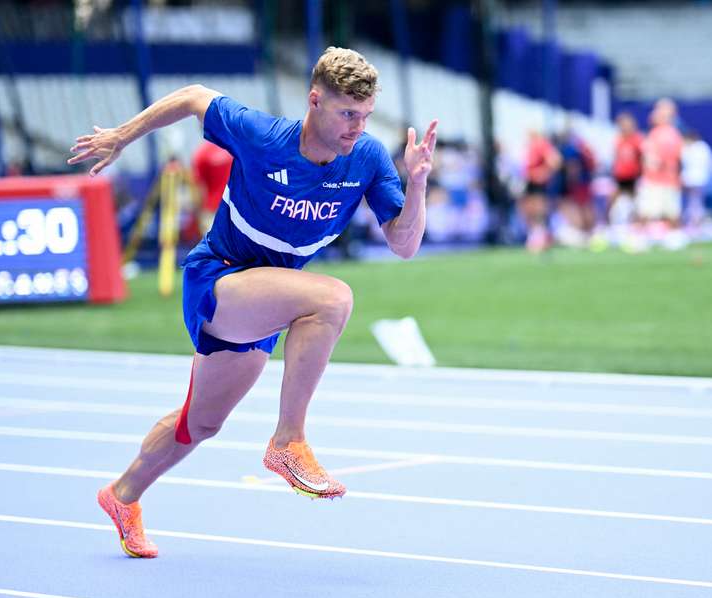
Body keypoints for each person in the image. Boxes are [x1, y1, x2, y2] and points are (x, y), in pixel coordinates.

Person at [68, 47, 438, 558]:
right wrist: (120, 137)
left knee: (200, 423)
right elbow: (195, 96)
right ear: (314, 101)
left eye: (366, 115)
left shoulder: (369, 158)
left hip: (269, 301)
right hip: (219, 280)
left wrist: (417, 183)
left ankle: (122, 495)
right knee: (332, 299)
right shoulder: (262, 136)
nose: (358, 126)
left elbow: (404, 243)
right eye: (348, 114)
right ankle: (288, 442)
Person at [637, 98, 683, 228]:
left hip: (665, 180)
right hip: (653, 179)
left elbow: (671, 159)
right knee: (646, 211)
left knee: (670, 212)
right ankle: (641, 236)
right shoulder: (654, 133)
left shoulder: (670, 134)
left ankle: (674, 235)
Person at [519, 130, 561, 252]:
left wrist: (544, 172)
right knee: (529, 210)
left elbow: (555, 160)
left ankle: (542, 239)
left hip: (538, 183)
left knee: (539, 211)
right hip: (530, 181)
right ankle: (535, 237)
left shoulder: (542, 144)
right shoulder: (530, 146)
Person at [192, 140, 233, 235]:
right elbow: (199, 187)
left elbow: (199, 190)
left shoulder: (202, 153)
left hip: (226, 211)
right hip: (217, 212)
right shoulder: (203, 153)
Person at [680, 129, 712, 229]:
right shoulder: (703, 147)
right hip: (700, 178)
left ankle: (694, 222)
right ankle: (695, 221)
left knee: (693, 202)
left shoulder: (690, 148)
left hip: (692, 178)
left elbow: (684, 161)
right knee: (696, 201)